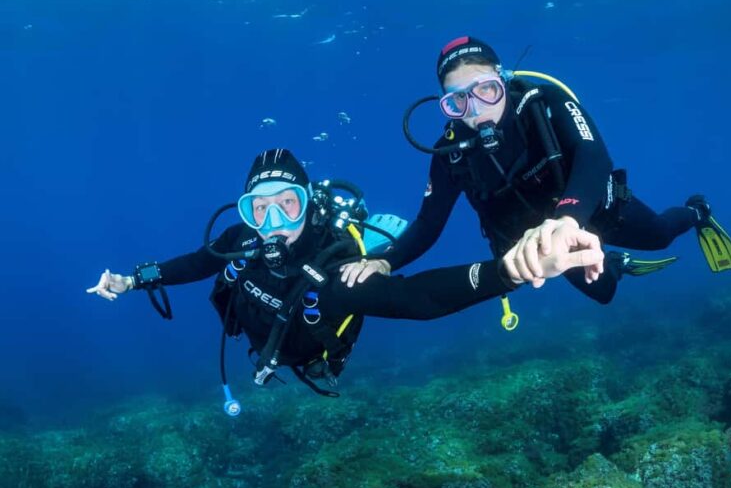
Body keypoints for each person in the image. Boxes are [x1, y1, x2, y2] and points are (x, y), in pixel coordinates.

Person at [87, 149, 603, 411]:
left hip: (312, 355)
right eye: (257, 208)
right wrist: (133, 279)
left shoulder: (332, 271)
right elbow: (200, 261)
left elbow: (417, 298)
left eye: (286, 206)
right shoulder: (242, 237)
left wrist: (509, 270)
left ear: (307, 205)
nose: (271, 224)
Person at [341, 36, 731, 304]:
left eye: (486, 89)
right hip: (541, 240)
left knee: (659, 237)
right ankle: (615, 264)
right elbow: (428, 225)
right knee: (604, 294)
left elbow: (594, 156)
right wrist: (384, 261)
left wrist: (566, 219)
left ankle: (697, 212)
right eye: (457, 101)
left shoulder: (543, 102)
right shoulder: (451, 151)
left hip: (589, 209)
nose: (475, 109)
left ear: (503, 81)